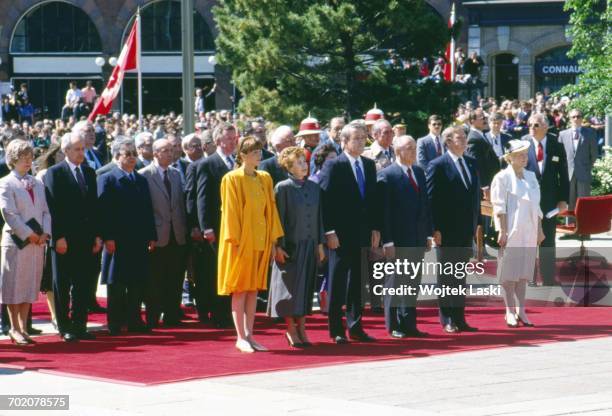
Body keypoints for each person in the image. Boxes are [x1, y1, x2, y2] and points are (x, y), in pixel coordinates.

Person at [217, 136, 283, 353]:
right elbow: (230, 212)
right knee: (240, 289)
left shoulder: (264, 177)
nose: (258, 155)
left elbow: (270, 210)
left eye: (259, 151)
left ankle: (250, 334)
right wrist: (234, 241)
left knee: (253, 288)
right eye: (254, 152)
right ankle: (240, 336)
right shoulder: (231, 179)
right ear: (242, 155)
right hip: (241, 241)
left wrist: (274, 240)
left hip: (261, 239)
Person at [319, 122, 380, 344]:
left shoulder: (369, 165)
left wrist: (375, 228)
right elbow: (324, 200)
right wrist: (329, 232)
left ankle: (355, 326)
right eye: (356, 138)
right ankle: (336, 329)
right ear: (344, 141)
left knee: (358, 281)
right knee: (337, 281)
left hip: (362, 233)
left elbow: (373, 200)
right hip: (340, 235)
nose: (361, 142)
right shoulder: (334, 165)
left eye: (364, 138)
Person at [44, 132, 101, 341]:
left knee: (83, 282)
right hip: (64, 239)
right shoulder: (54, 173)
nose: (81, 153)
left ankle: (80, 324)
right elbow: (53, 208)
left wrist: (97, 235)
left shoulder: (88, 172)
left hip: (85, 238)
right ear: (65, 150)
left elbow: (94, 207)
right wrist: (58, 237)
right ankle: (64, 325)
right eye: (76, 149)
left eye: (82, 149)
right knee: (63, 284)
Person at [98, 138, 157, 335]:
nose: (132, 158)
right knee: (117, 283)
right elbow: (104, 212)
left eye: (134, 154)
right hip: (117, 240)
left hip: (138, 239)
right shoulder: (108, 178)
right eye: (127, 154)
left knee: (136, 281)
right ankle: (115, 322)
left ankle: (134, 319)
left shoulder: (140, 179)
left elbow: (148, 210)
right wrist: (108, 237)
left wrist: (151, 235)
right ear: (116, 156)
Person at [268, 147, 325, 347]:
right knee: (289, 289)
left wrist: (319, 244)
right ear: (289, 166)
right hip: (290, 247)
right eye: (299, 162)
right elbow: (278, 219)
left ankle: (302, 327)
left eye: (305, 161)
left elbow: (319, 218)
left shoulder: (314, 187)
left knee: (306, 287)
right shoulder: (282, 188)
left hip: (310, 245)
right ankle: (291, 328)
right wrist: (277, 246)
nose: (304, 165)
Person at [426, 126, 480, 333]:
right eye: (459, 138)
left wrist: (475, 224)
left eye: (465, 137)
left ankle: (459, 316)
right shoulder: (437, 165)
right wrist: (434, 229)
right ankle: (447, 317)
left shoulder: (471, 162)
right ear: (448, 141)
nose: (464, 141)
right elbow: (431, 199)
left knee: (460, 276)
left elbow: (474, 196)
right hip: (446, 230)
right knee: (447, 275)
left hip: (466, 229)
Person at [378, 136, 432, 338]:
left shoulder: (418, 171)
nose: (413, 151)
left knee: (412, 282)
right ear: (399, 151)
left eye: (414, 147)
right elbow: (384, 212)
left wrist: (428, 233)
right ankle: (393, 325)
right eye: (409, 148)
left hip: (417, 237)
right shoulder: (387, 175)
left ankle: (409, 323)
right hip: (397, 239)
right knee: (394, 282)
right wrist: (388, 241)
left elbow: (425, 205)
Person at [0, 139, 51, 345]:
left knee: (29, 283)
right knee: (14, 285)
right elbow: (8, 213)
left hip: (37, 242)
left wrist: (45, 233)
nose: (28, 161)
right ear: (13, 160)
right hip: (16, 240)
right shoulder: (5, 182)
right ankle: (14, 328)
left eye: (30, 156)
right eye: (23, 157)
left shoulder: (37, 182)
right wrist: (28, 234)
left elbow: (46, 210)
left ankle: (23, 327)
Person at [186, 123, 237, 327]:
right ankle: (215, 312)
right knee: (213, 271)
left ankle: (228, 311)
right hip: (216, 227)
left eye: (235, 138)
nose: (233, 142)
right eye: (229, 138)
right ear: (217, 141)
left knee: (229, 270)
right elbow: (202, 198)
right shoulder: (207, 164)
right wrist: (205, 227)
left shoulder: (237, 162)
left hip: (234, 226)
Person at [491, 140, 545, 328]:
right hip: (512, 230)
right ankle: (509, 310)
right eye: (520, 154)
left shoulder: (530, 176)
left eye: (525, 154)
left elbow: (537, 206)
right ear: (510, 158)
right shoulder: (502, 178)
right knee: (509, 274)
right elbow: (499, 208)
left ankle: (522, 310)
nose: (524, 158)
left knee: (524, 273)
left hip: (529, 231)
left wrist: (539, 230)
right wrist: (502, 231)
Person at [139, 139, 187, 327]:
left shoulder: (176, 174)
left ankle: (172, 315)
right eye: (165, 150)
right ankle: (152, 316)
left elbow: (180, 204)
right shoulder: (144, 175)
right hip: (157, 236)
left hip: (177, 233)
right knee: (155, 279)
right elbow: (143, 209)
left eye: (171, 150)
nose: (170, 153)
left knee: (175, 277)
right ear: (156, 153)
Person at [522, 114, 569, 286]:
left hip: (549, 201)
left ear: (545, 127)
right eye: (530, 125)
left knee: (548, 239)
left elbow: (563, 175)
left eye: (535, 125)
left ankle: (548, 277)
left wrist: (563, 199)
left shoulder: (556, 145)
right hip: (527, 200)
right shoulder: (523, 144)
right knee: (528, 240)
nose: (531, 128)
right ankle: (529, 277)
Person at [558, 109, 598, 214]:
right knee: (569, 202)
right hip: (568, 174)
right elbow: (560, 155)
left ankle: (584, 226)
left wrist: (587, 167)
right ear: (569, 119)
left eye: (578, 116)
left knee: (584, 202)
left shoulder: (590, 133)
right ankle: (571, 225)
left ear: (582, 118)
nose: (576, 119)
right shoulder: (562, 134)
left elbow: (593, 154)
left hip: (583, 172)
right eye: (573, 117)